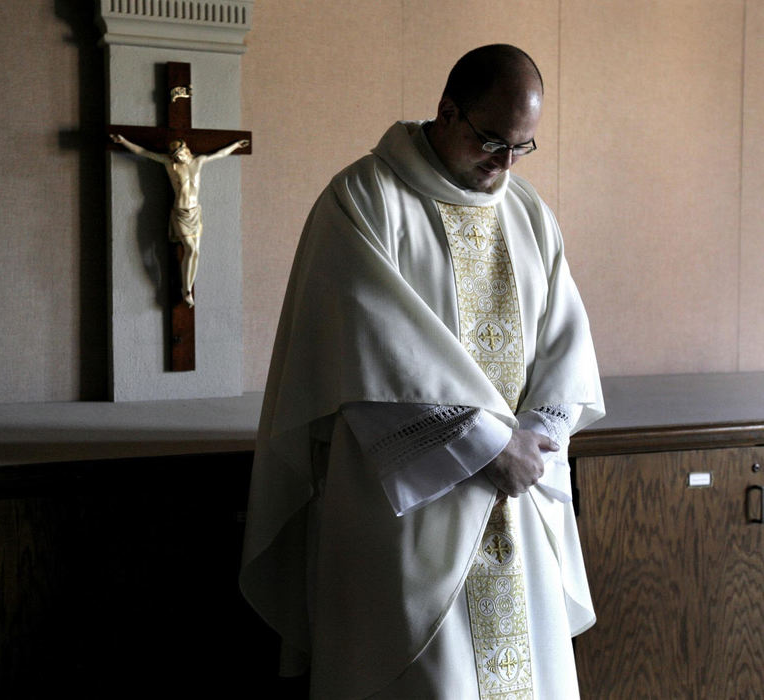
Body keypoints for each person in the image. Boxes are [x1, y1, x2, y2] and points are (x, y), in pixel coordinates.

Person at [239, 44, 605, 699]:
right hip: (408, 511)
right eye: (492, 140)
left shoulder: (526, 214)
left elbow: (564, 343)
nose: (503, 164)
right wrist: (490, 444)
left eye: (522, 148)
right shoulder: (362, 199)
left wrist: (538, 436)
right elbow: (367, 348)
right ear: (446, 111)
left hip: (516, 500)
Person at [110, 134, 250, 307]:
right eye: (175, 155)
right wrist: (123, 141)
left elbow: (220, 154)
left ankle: (187, 289)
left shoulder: (199, 162)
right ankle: (186, 290)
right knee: (189, 248)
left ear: (187, 150)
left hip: (195, 212)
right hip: (180, 214)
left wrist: (235, 145)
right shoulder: (171, 165)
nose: (178, 157)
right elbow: (144, 152)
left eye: (180, 154)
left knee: (195, 252)